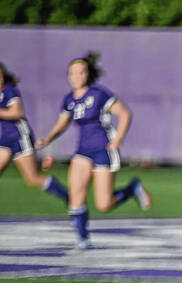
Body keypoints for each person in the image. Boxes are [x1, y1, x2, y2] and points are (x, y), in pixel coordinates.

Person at [35, 54, 151, 250]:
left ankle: (132, 188)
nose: (77, 76)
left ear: (87, 74)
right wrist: (48, 138)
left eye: (82, 72)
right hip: (83, 151)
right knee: (75, 196)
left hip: (104, 149)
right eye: (73, 73)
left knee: (104, 205)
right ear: (68, 76)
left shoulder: (99, 94)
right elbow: (62, 124)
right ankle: (83, 239)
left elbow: (124, 113)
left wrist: (118, 139)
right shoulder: (69, 100)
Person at [0, 62, 69, 206]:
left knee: (33, 179)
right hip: (6, 138)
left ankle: (70, 198)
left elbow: (17, 112)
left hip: (20, 136)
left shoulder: (9, 90)